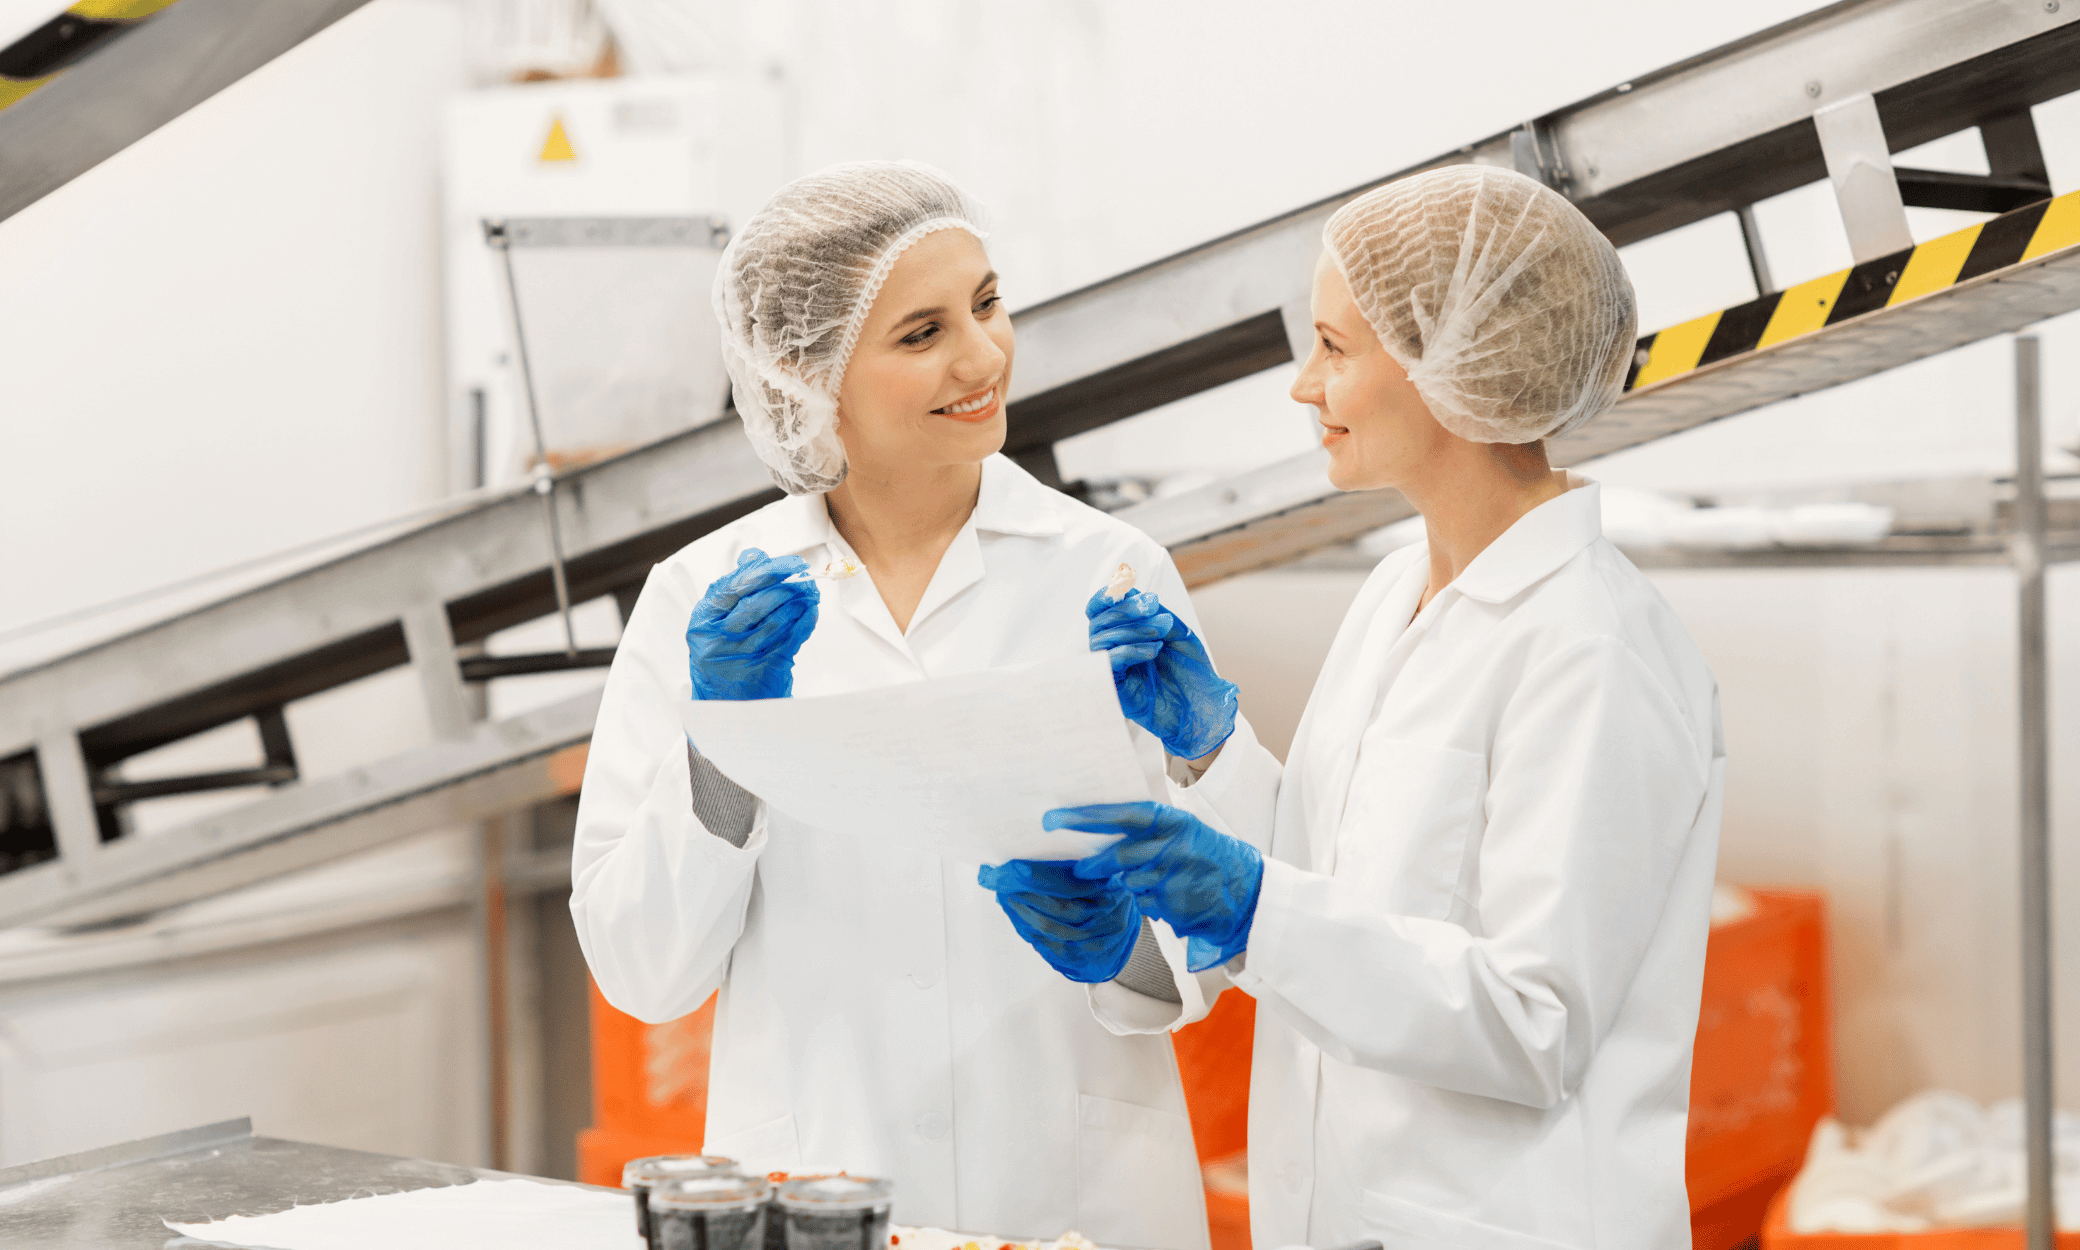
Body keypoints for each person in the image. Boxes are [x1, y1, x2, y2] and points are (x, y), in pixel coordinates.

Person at [1005, 166, 1726, 1249]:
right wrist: (1211, 752)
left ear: (1455, 370)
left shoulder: (1591, 647)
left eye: (1335, 349)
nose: (1304, 386)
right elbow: (1343, 886)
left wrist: (1250, 906)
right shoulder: (1399, 590)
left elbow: (1535, 1020)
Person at [569, 161, 1243, 1250]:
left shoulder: (1109, 570)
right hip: (819, 1183)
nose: (981, 358)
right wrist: (721, 748)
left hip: (1076, 1184)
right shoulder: (701, 599)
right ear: (803, 367)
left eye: (985, 304)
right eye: (920, 333)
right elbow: (645, 972)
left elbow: (1231, 911)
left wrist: (1127, 946)